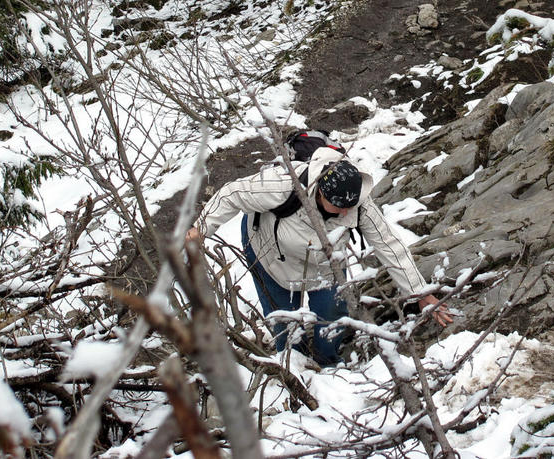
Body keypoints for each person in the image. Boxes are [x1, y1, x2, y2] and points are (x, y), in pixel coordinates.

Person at [189, 146, 452, 366]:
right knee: (285, 325)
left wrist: (420, 293)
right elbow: (231, 194)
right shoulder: (282, 184)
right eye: (338, 207)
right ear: (321, 193)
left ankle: (327, 363)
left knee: (331, 319)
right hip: (271, 254)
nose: (343, 213)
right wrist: (201, 228)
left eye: (349, 208)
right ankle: (293, 367)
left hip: (325, 267)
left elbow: (389, 245)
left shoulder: (357, 202)